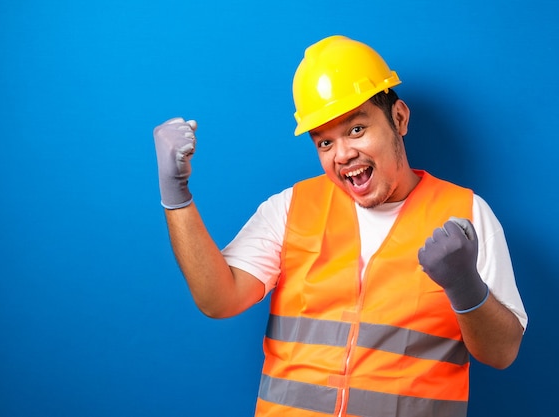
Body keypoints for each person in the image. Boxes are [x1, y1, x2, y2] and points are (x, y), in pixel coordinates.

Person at [153, 35, 527, 417]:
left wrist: (466, 287)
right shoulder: (290, 207)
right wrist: (177, 196)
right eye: (324, 143)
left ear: (399, 118)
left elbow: (501, 353)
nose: (344, 154)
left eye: (356, 130)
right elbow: (219, 300)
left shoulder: (466, 214)